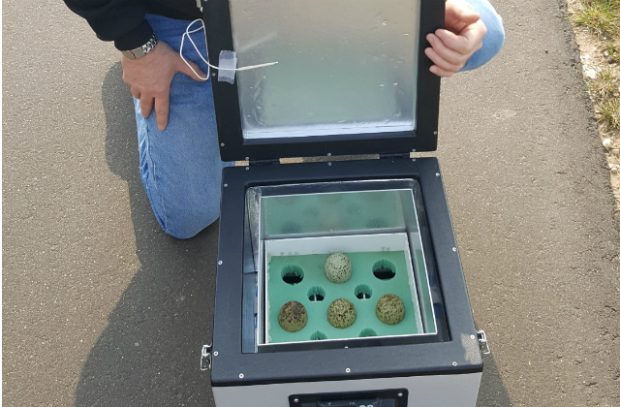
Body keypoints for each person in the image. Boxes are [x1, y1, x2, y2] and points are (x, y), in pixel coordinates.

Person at [64, 0, 505, 239]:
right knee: (190, 215)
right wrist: (137, 45)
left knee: (486, 34)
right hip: (192, 29)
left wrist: (438, 14)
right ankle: (148, 78)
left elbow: (471, 20)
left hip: (318, 16)